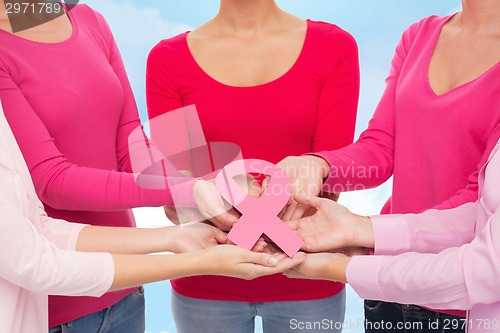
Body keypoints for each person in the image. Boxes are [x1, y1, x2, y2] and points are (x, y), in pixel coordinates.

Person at [0, 2, 236, 332]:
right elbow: (52, 180)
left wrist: (202, 192)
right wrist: (185, 189)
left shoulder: (89, 19)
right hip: (57, 305)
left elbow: (131, 143)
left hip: (127, 289)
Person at [276, 0, 500, 331]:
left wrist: (367, 234)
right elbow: (380, 147)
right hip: (383, 284)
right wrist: (318, 165)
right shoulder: (419, 35)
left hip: (456, 295)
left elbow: (480, 201)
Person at [0, 100, 305, 333]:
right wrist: (194, 248)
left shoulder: (90, 24)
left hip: (118, 300)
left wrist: (175, 235)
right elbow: (36, 261)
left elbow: (38, 230)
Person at [146, 0, 359, 331]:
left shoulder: (333, 48)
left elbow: (331, 179)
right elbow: (175, 197)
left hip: (308, 278)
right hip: (207, 281)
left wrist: (247, 216)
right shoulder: (167, 61)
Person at [284, 137, 500, 333]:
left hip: (444, 301)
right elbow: (481, 214)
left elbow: (482, 272)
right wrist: (361, 229)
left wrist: (340, 267)